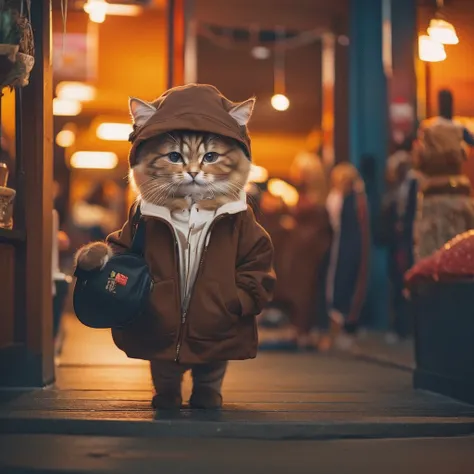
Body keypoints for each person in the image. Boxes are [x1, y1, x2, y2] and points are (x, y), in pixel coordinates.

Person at [75, 84, 275, 410]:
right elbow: (125, 249)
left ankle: (208, 388)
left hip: (217, 322)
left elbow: (258, 258)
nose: (193, 170)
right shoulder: (145, 212)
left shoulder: (239, 216)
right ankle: (166, 390)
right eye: (175, 157)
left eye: (209, 156)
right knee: (162, 365)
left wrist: (237, 300)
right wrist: (100, 258)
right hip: (159, 321)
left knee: (212, 362)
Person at [413, 89, 474, 260]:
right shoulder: (458, 128)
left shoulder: (429, 128)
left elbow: (419, 159)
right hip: (455, 194)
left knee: (435, 246)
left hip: (436, 194)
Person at [284, 152, 333, 350]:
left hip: (309, 254)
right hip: (303, 253)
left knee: (308, 291)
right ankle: (303, 330)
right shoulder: (310, 196)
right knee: (301, 291)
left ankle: (308, 331)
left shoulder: (316, 200)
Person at [322, 163, 370, 351]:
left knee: (346, 283)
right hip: (337, 245)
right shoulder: (337, 196)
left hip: (347, 246)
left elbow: (360, 230)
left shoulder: (356, 199)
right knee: (334, 285)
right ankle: (336, 330)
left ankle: (346, 329)